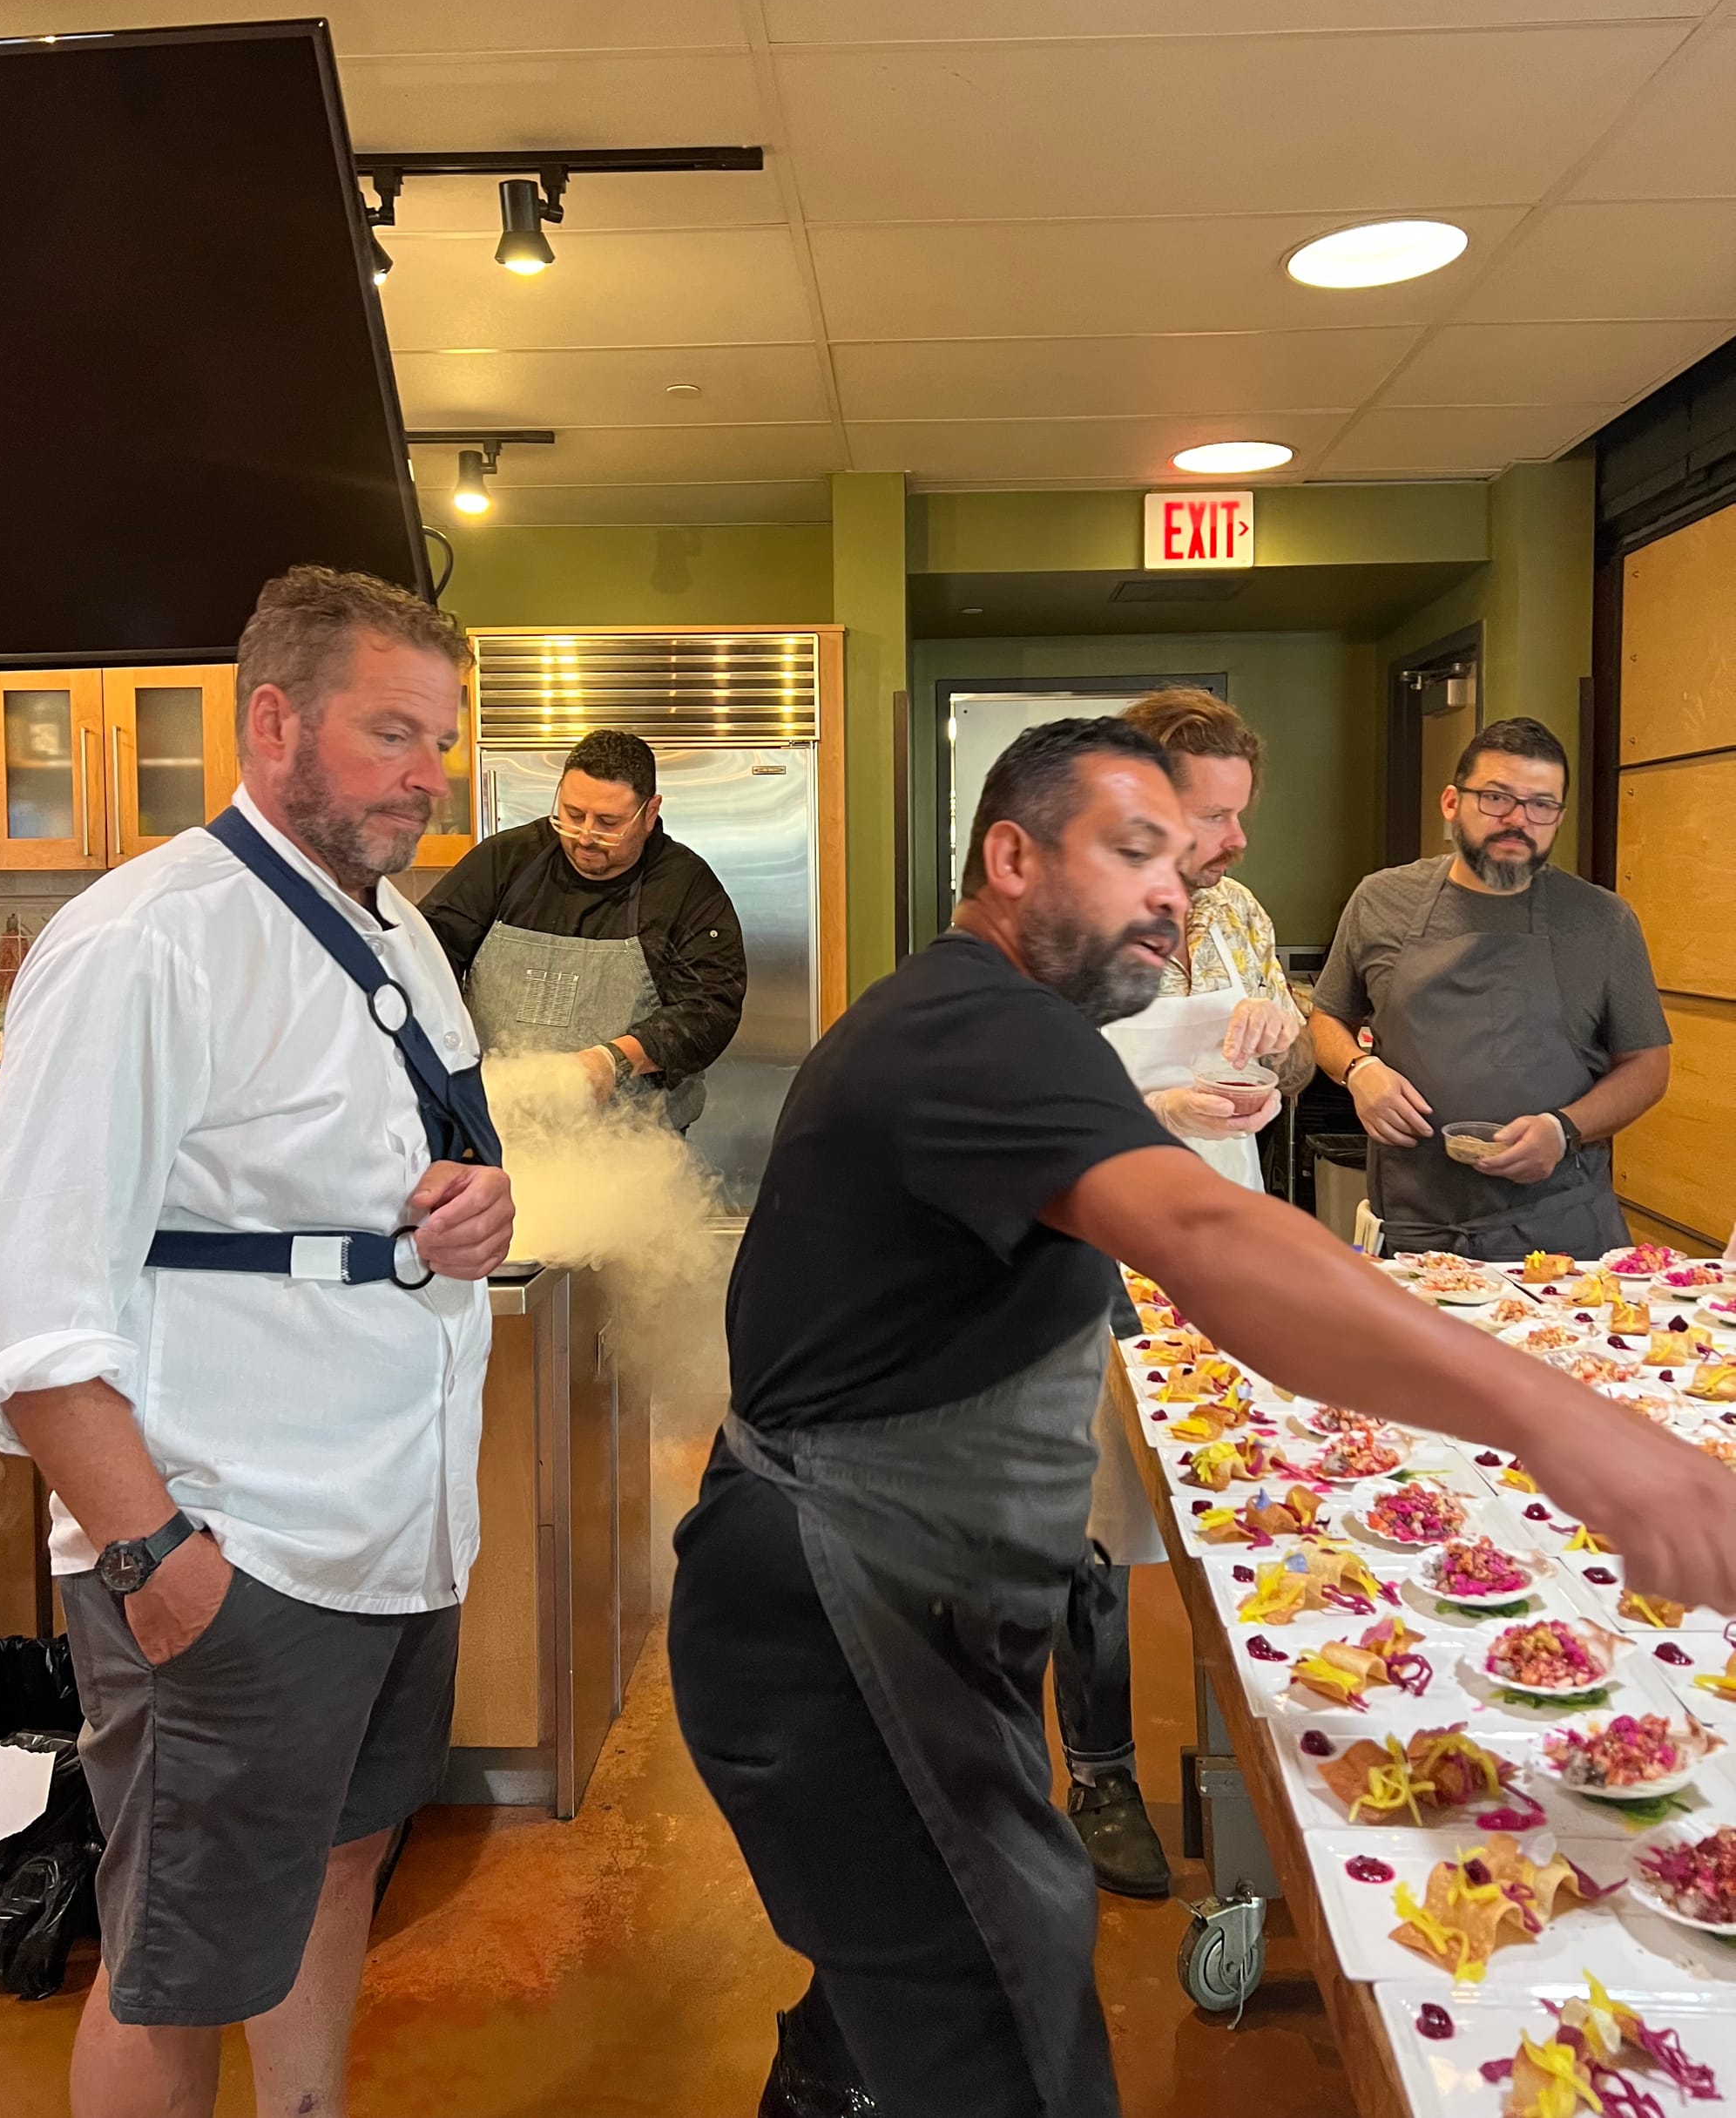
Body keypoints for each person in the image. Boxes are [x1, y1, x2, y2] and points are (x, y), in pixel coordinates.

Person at [668, 714, 1736, 2118]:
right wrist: (1562, 1423)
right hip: (835, 1607)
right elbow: (1207, 1233)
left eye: (1185, 856)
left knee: (918, 1993)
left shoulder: (1016, 1020)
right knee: (1007, 2033)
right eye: (1132, 850)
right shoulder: (973, 1024)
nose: (1176, 886)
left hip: (892, 1598)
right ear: (1010, 856)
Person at [0, 566, 516, 2118]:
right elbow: (33, 1315)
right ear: (273, 719)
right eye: (391, 733)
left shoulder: (401, 931)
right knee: (177, 1961)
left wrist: (468, 1217)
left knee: (340, 1864)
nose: (428, 774)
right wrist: (160, 1558)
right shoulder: (147, 940)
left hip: (397, 1532)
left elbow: (371, 1179)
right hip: (237, 1540)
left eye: (441, 739)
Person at [1054, 687, 1314, 1898]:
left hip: (1223, 1226)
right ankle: (1101, 1771)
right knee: (1096, 1520)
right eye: (1217, 816)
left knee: (1233, 1492)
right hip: (1095, 1238)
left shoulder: (1239, 911)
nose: (1237, 841)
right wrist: (1148, 1109)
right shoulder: (1072, 914)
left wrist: (1278, 1053)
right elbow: (1033, 1089)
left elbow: (1290, 1050)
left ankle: (1252, 1762)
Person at [1309, 715, 1670, 1257]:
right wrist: (1359, 1072)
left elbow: (1648, 1066)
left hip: (1559, 1231)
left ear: (1558, 817)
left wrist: (1563, 1129)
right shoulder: (1381, 900)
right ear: (1452, 803)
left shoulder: (1602, 921)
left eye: (1541, 805)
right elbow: (1327, 1017)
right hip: (1415, 1227)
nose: (1518, 820)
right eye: (1497, 798)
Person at [422, 727, 746, 1131]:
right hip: (499, 1126)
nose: (585, 837)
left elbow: (711, 1008)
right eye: (572, 815)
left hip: (633, 1142)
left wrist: (614, 1061)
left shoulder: (686, 887)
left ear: (650, 812)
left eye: (609, 822)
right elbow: (422, 956)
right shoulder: (505, 861)